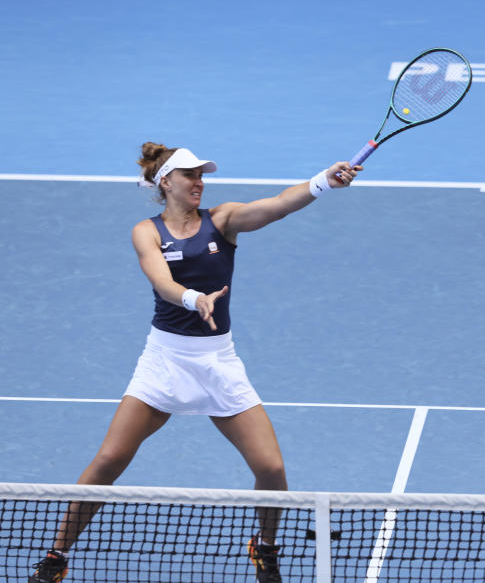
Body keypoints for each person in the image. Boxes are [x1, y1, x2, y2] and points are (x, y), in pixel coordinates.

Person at [27, 143, 361, 583]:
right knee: (109, 459)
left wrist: (323, 181)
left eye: (202, 175)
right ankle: (55, 556)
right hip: (164, 362)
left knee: (272, 469)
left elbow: (278, 206)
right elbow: (161, 281)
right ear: (166, 182)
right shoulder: (146, 232)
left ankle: (264, 547)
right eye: (190, 175)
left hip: (217, 363)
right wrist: (194, 298)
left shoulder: (222, 221)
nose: (199, 182)